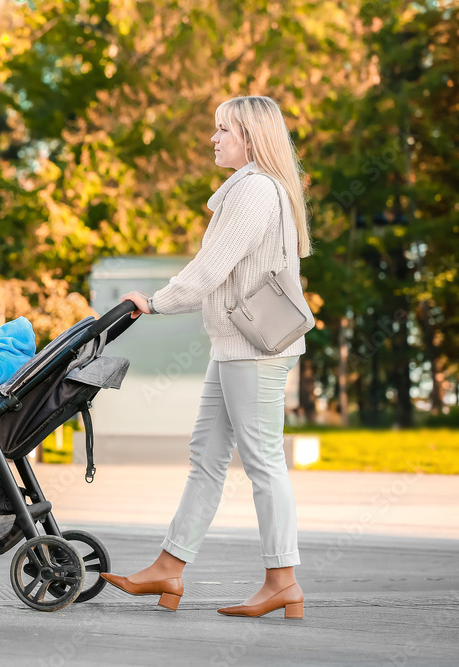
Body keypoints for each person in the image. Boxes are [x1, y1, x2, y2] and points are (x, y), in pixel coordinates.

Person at [101, 96, 312, 620]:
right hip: (235, 347)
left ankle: (282, 580)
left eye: (223, 130)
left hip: (254, 352)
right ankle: (169, 567)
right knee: (207, 458)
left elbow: (210, 267)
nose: (214, 139)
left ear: (250, 136)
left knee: (263, 461)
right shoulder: (254, 188)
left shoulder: (256, 190)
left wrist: (155, 302)